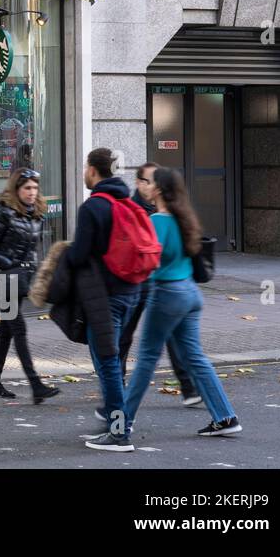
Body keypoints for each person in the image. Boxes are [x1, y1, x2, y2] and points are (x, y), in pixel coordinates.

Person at [121, 167, 241, 439]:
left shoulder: (156, 223)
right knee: (195, 357)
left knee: (146, 360)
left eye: (151, 183)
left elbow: (144, 262)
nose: (147, 187)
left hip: (166, 295)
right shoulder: (185, 219)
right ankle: (225, 417)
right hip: (190, 294)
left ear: (160, 190)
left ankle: (120, 426)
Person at [72, 147, 154, 452]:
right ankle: (114, 422)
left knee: (107, 365)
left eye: (85, 167)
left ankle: (119, 432)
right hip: (131, 292)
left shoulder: (93, 207)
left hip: (103, 298)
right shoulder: (126, 201)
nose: (83, 172)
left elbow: (80, 255)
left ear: (94, 170)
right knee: (109, 362)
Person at [117, 162, 199, 407]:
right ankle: (116, 385)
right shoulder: (134, 209)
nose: (153, 186)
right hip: (148, 286)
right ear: (140, 183)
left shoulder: (162, 217)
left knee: (157, 351)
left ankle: (188, 388)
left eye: (156, 182)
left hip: (160, 287)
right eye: (149, 181)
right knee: (125, 336)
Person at [0, 168, 60, 403]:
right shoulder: (2, 211)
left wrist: (33, 272)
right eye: (27, 188)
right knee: (19, 329)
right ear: (16, 189)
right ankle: (35, 384)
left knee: (7, 331)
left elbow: (32, 249)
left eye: (35, 188)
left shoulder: (35, 213)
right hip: (2, 277)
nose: (32, 192)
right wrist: (10, 265)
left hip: (20, 278)